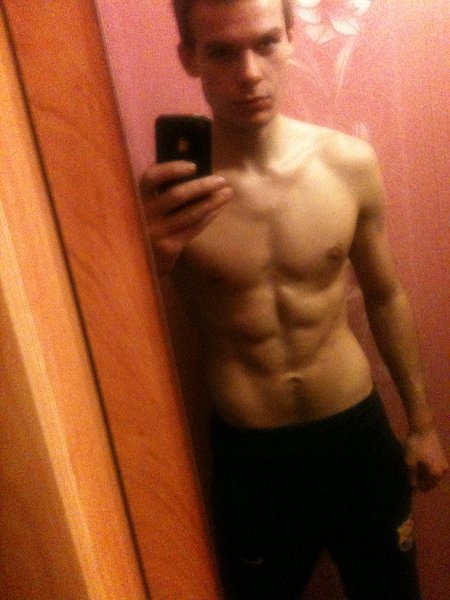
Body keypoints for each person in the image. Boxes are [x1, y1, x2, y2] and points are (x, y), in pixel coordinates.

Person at [140, 1, 448, 598]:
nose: (249, 74)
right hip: (252, 458)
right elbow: (123, 341)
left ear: (289, 38)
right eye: (221, 51)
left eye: (265, 43)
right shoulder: (170, 199)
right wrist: (145, 259)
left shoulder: (347, 164)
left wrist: (423, 424)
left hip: (356, 436)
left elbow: (385, 295)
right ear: (189, 58)